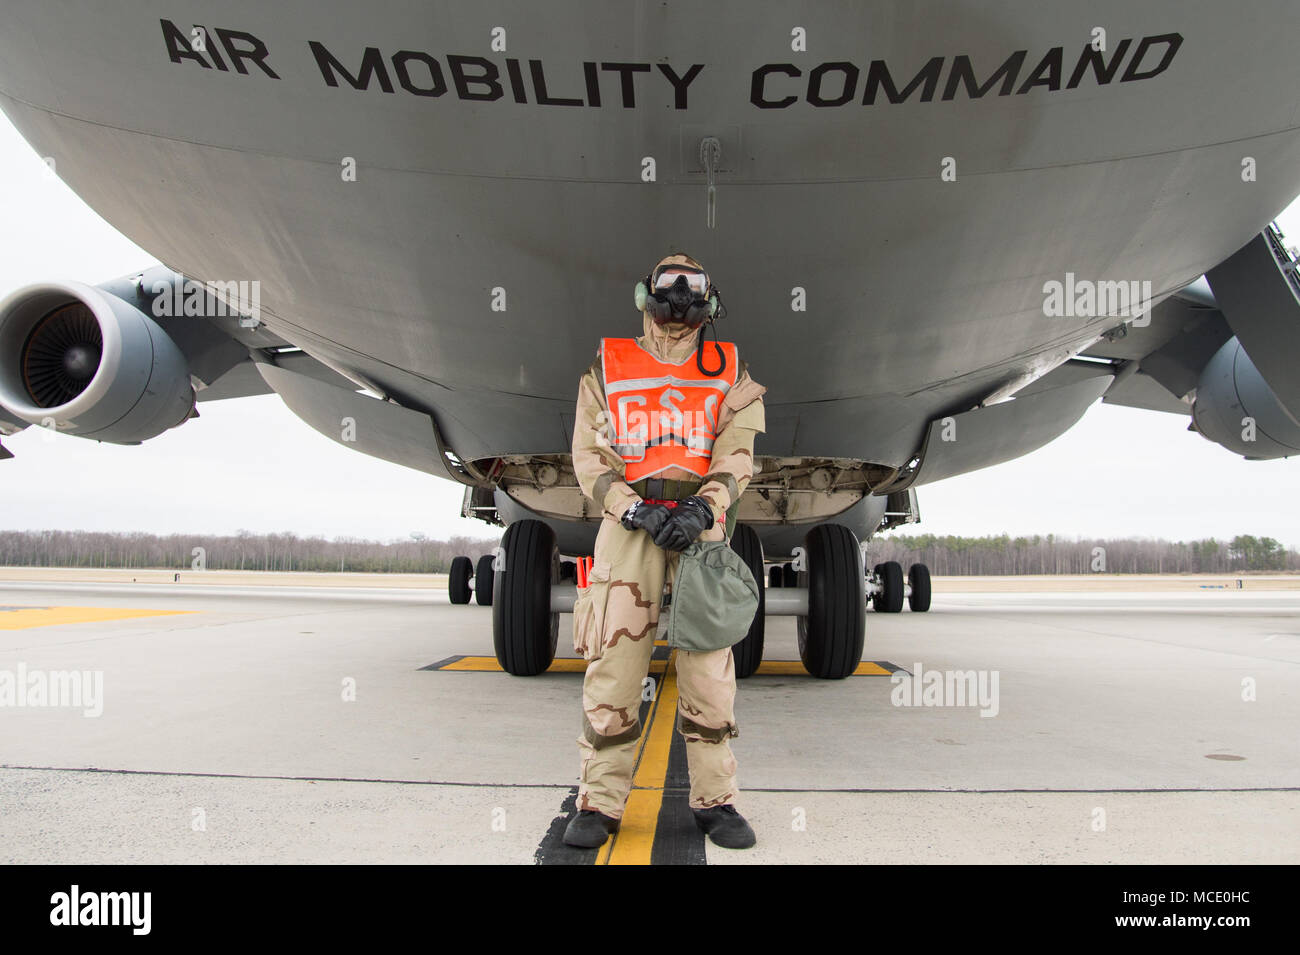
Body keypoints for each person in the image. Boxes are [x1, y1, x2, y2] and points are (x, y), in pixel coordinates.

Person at [565, 252, 766, 850]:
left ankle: (716, 802)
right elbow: (588, 456)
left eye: (694, 285)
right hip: (629, 529)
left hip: (700, 530)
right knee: (615, 669)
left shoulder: (727, 368)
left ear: (710, 299)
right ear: (644, 293)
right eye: (669, 284)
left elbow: (738, 450)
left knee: (708, 672)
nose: (680, 295)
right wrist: (633, 507)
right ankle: (598, 804)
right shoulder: (610, 364)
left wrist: (705, 507)